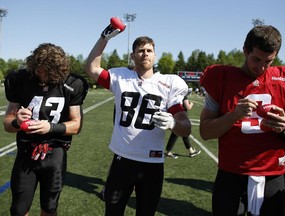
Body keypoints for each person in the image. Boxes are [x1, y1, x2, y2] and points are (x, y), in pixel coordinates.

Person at [85, 18, 191, 216]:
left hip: (152, 165)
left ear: (155, 55)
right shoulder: (121, 77)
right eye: (141, 50)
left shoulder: (169, 83)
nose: (145, 53)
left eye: (149, 50)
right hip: (122, 160)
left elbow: (186, 127)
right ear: (133, 55)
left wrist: (173, 122)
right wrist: (104, 38)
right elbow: (90, 67)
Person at [199, 25, 285, 216]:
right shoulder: (221, 77)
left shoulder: (283, 80)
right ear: (245, 51)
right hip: (232, 175)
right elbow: (205, 132)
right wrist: (233, 115)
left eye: (268, 61)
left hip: (273, 174)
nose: (261, 67)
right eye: (256, 59)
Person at [3, 43, 88, 216]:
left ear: (59, 69)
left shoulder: (73, 83)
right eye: (39, 70)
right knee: (18, 209)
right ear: (33, 65)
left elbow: (76, 126)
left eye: (48, 71)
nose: (43, 75)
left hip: (55, 152)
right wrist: (18, 122)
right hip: (26, 151)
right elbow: (7, 123)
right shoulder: (20, 79)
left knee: (49, 208)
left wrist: (50, 127)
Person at [166, 88, 201, 159]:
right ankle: (169, 152)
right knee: (181, 133)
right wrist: (191, 104)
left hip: (175, 114)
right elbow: (188, 107)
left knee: (179, 133)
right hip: (181, 116)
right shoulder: (183, 96)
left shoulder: (174, 95)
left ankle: (190, 151)